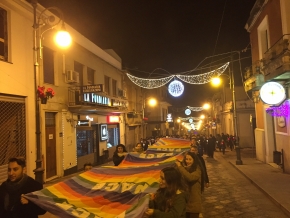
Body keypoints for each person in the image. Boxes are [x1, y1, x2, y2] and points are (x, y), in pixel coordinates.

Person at [176, 152, 205, 218]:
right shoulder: (185, 168)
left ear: (194, 160)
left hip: (194, 203)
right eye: (186, 159)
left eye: (190, 159)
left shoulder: (197, 169)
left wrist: (180, 167)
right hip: (185, 203)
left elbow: (190, 177)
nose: (188, 161)